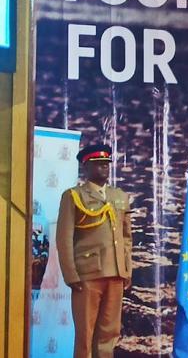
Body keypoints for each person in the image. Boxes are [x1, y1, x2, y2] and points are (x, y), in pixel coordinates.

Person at [56, 143, 132, 358]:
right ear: (86, 167)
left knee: (109, 334)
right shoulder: (74, 196)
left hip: (115, 273)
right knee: (85, 336)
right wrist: (71, 274)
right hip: (87, 274)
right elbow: (64, 237)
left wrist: (127, 269)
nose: (104, 167)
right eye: (98, 164)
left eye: (106, 163)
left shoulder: (119, 196)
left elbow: (126, 238)